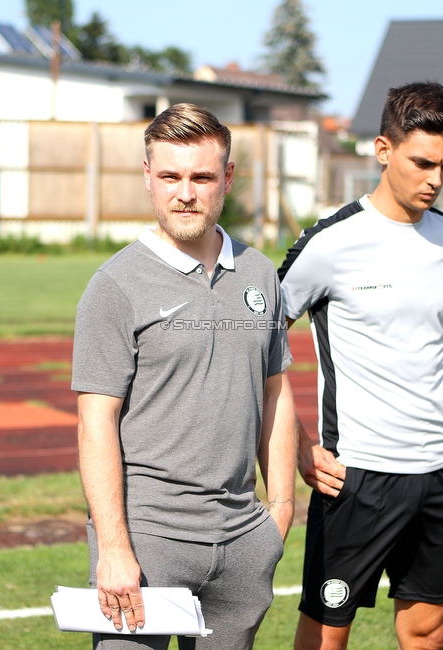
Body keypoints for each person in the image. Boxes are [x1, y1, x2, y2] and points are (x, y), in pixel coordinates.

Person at [71, 103, 297, 650]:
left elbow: (276, 392)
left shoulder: (261, 272)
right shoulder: (115, 285)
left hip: (242, 539)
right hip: (148, 541)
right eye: (170, 176)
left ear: (228, 179)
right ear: (148, 176)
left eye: (202, 177)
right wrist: (114, 547)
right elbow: (94, 421)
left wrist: (281, 512)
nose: (185, 192)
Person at [278, 81, 443, 650]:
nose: (435, 179)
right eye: (423, 162)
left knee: (427, 630)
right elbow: (258, 345)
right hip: (358, 475)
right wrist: (299, 443)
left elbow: (425, 343)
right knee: (326, 633)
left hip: (441, 471)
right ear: (382, 149)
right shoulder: (329, 243)